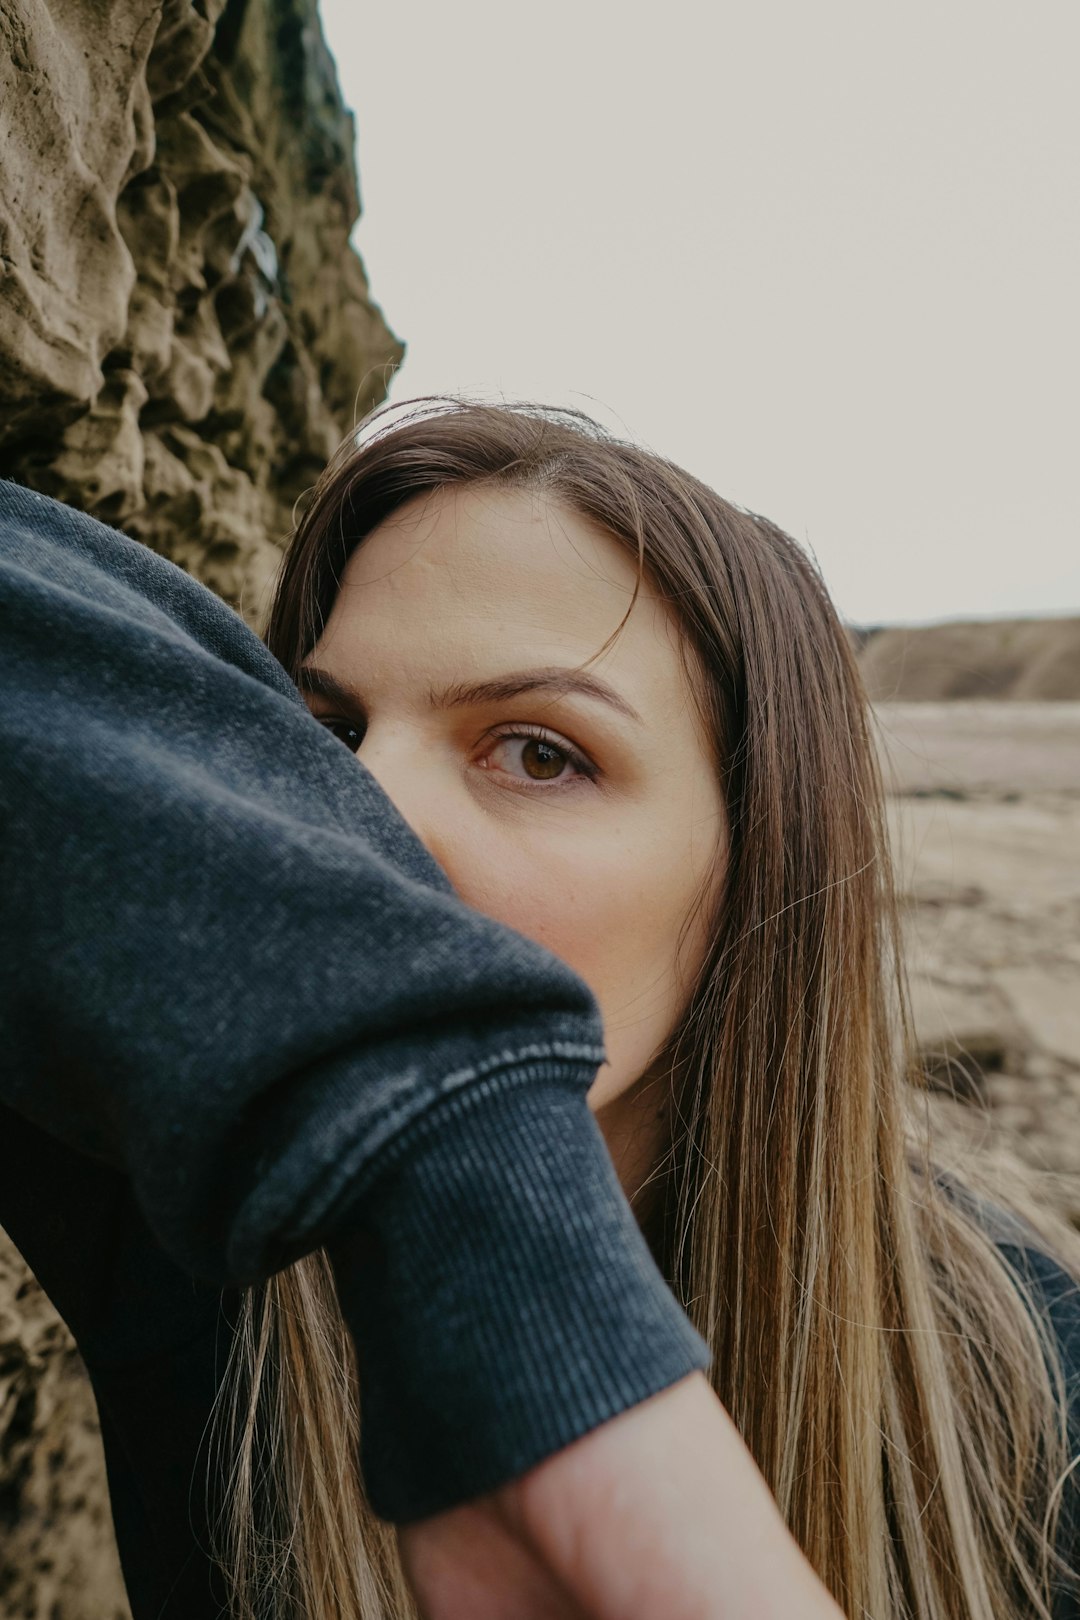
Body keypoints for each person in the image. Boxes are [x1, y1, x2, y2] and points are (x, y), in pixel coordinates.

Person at [1, 397, 1078, 1620]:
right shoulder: (213, 1259)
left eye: (538, 752)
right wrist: (468, 1188)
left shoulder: (1030, 1379)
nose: (358, 820)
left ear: (756, 866)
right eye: (327, 736)